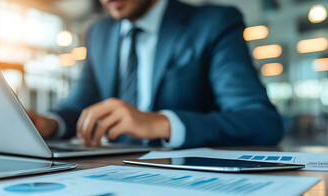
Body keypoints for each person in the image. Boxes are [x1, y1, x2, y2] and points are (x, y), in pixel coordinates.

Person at [28, 0, 284, 149]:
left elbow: (261, 122)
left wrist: (160, 123)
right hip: (109, 172)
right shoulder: (100, 33)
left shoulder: (213, 23)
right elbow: (80, 105)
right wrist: (49, 124)